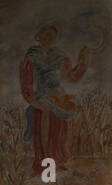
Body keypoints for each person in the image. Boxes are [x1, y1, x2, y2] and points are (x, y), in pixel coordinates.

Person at [20, 22, 91, 175]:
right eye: (45, 35)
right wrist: (33, 101)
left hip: (58, 96)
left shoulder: (58, 55)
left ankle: (56, 162)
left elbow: (71, 77)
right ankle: (42, 165)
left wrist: (82, 62)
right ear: (38, 37)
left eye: (52, 36)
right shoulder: (31, 56)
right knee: (43, 130)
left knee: (58, 131)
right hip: (42, 97)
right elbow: (26, 82)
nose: (48, 38)